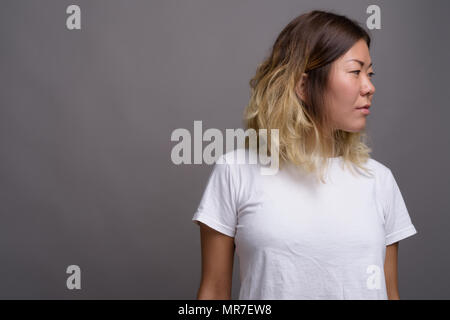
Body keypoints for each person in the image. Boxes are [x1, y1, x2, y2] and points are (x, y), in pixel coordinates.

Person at [192, 9, 418, 300]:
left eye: (370, 73)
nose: (369, 87)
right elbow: (213, 292)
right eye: (355, 71)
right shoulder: (235, 171)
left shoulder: (379, 180)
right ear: (303, 85)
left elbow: (390, 294)